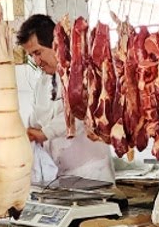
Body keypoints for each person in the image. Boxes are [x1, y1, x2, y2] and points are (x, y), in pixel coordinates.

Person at [16, 14, 115, 184]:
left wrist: (44, 134)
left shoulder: (82, 74)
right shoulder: (42, 83)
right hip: (60, 177)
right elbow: (36, 119)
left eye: (38, 52)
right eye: (31, 55)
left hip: (92, 173)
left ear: (55, 44)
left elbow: (80, 113)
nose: (37, 61)